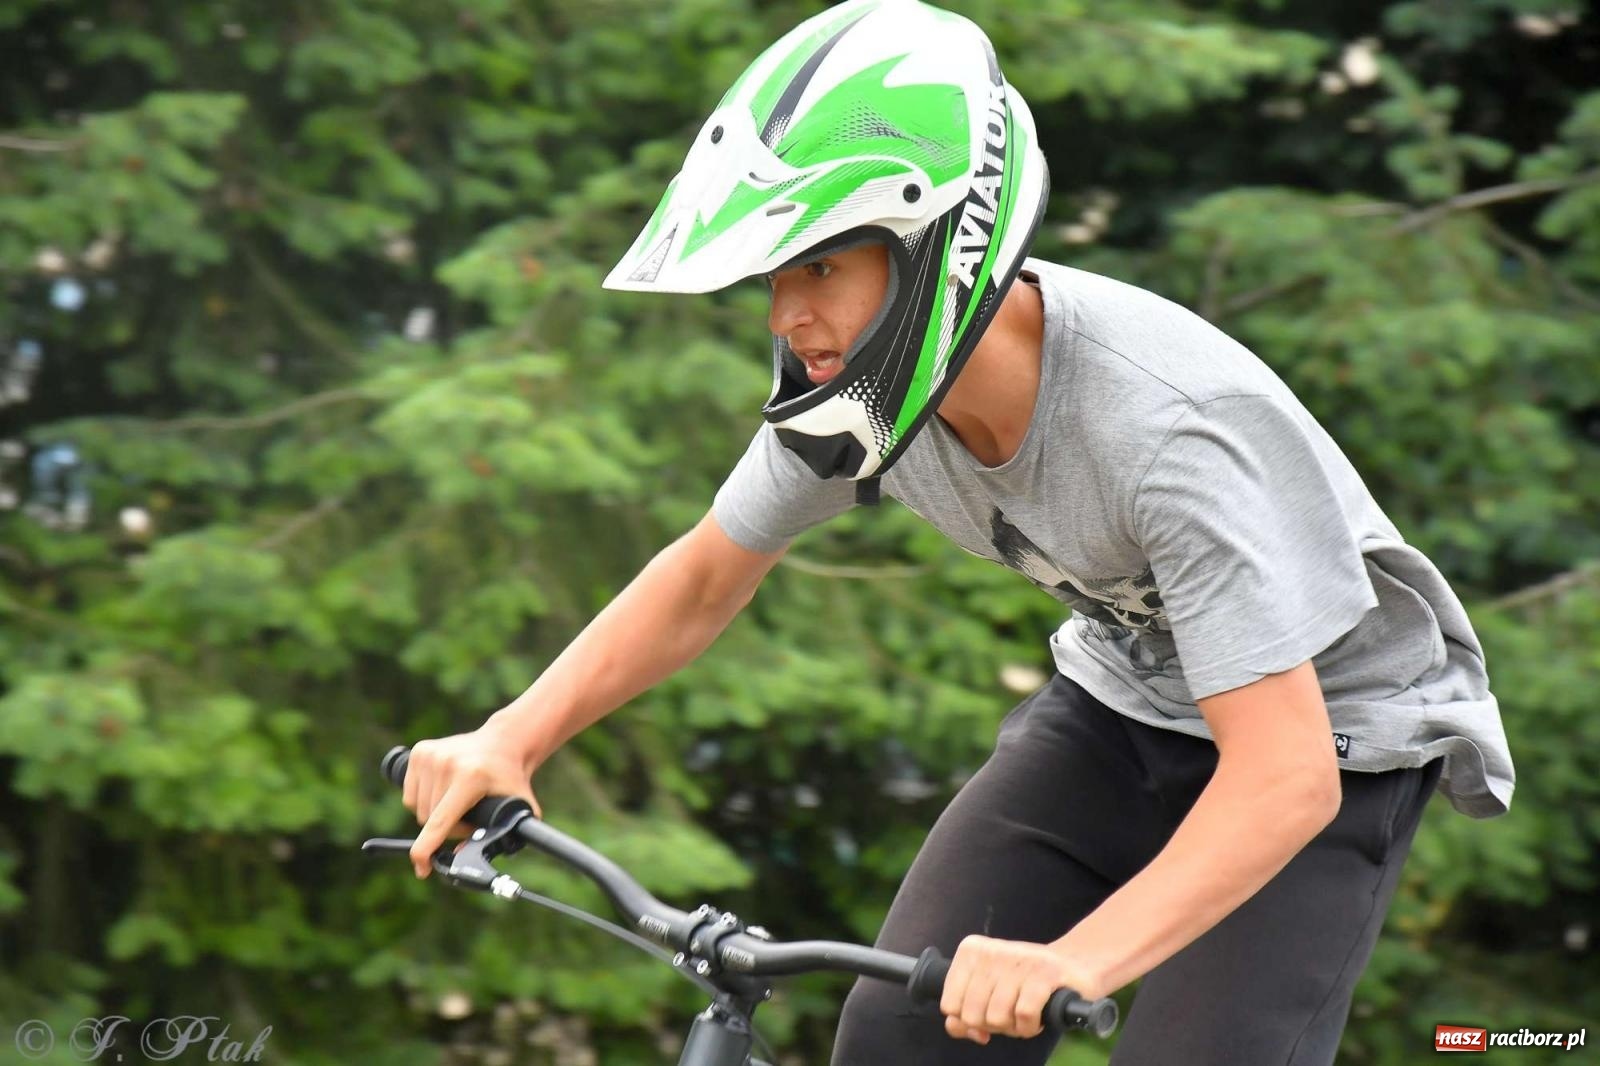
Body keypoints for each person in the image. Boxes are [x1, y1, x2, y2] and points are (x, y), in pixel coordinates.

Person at [397, 1, 1516, 1062]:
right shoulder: (867, 394)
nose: (789, 315)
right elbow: (702, 575)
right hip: (1122, 708)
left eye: (823, 264)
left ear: (934, 245)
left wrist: (1073, 957)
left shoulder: (1172, 433)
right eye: (775, 277)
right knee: (897, 1039)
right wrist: (515, 734)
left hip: (1332, 744)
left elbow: (1283, 779)